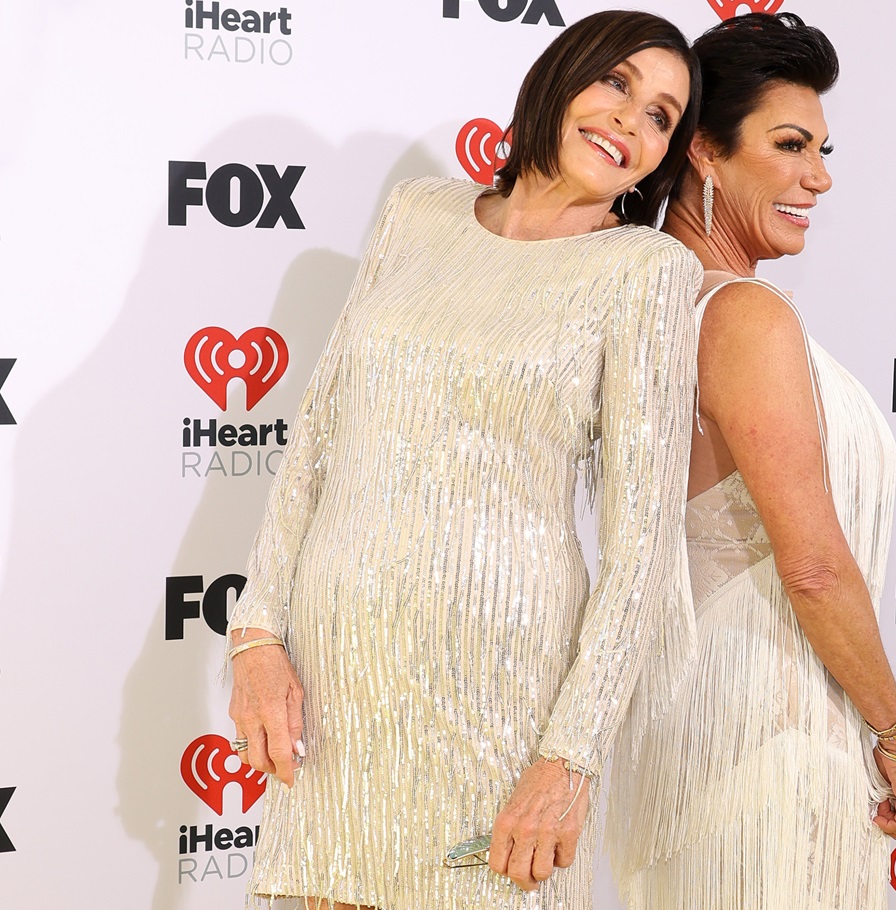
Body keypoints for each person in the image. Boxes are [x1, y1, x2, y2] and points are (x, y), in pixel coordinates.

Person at [223, 11, 703, 909]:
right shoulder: (419, 212)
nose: (632, 122)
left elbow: (641, 547)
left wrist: (570, 757)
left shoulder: (644, 273)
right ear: (560, 80)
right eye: (618, 84)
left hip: (502, 707)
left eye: (662, 117)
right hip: (336, 688)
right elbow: (321, 434)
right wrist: (254, 635)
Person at [608, 14, 896, 909]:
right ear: (703, 149)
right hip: (773, 740)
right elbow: (816, 566)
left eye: (822, 149)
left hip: (688, 737)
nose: (818, 177)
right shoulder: (744, 315)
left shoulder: (644, 294)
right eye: (790, 146)